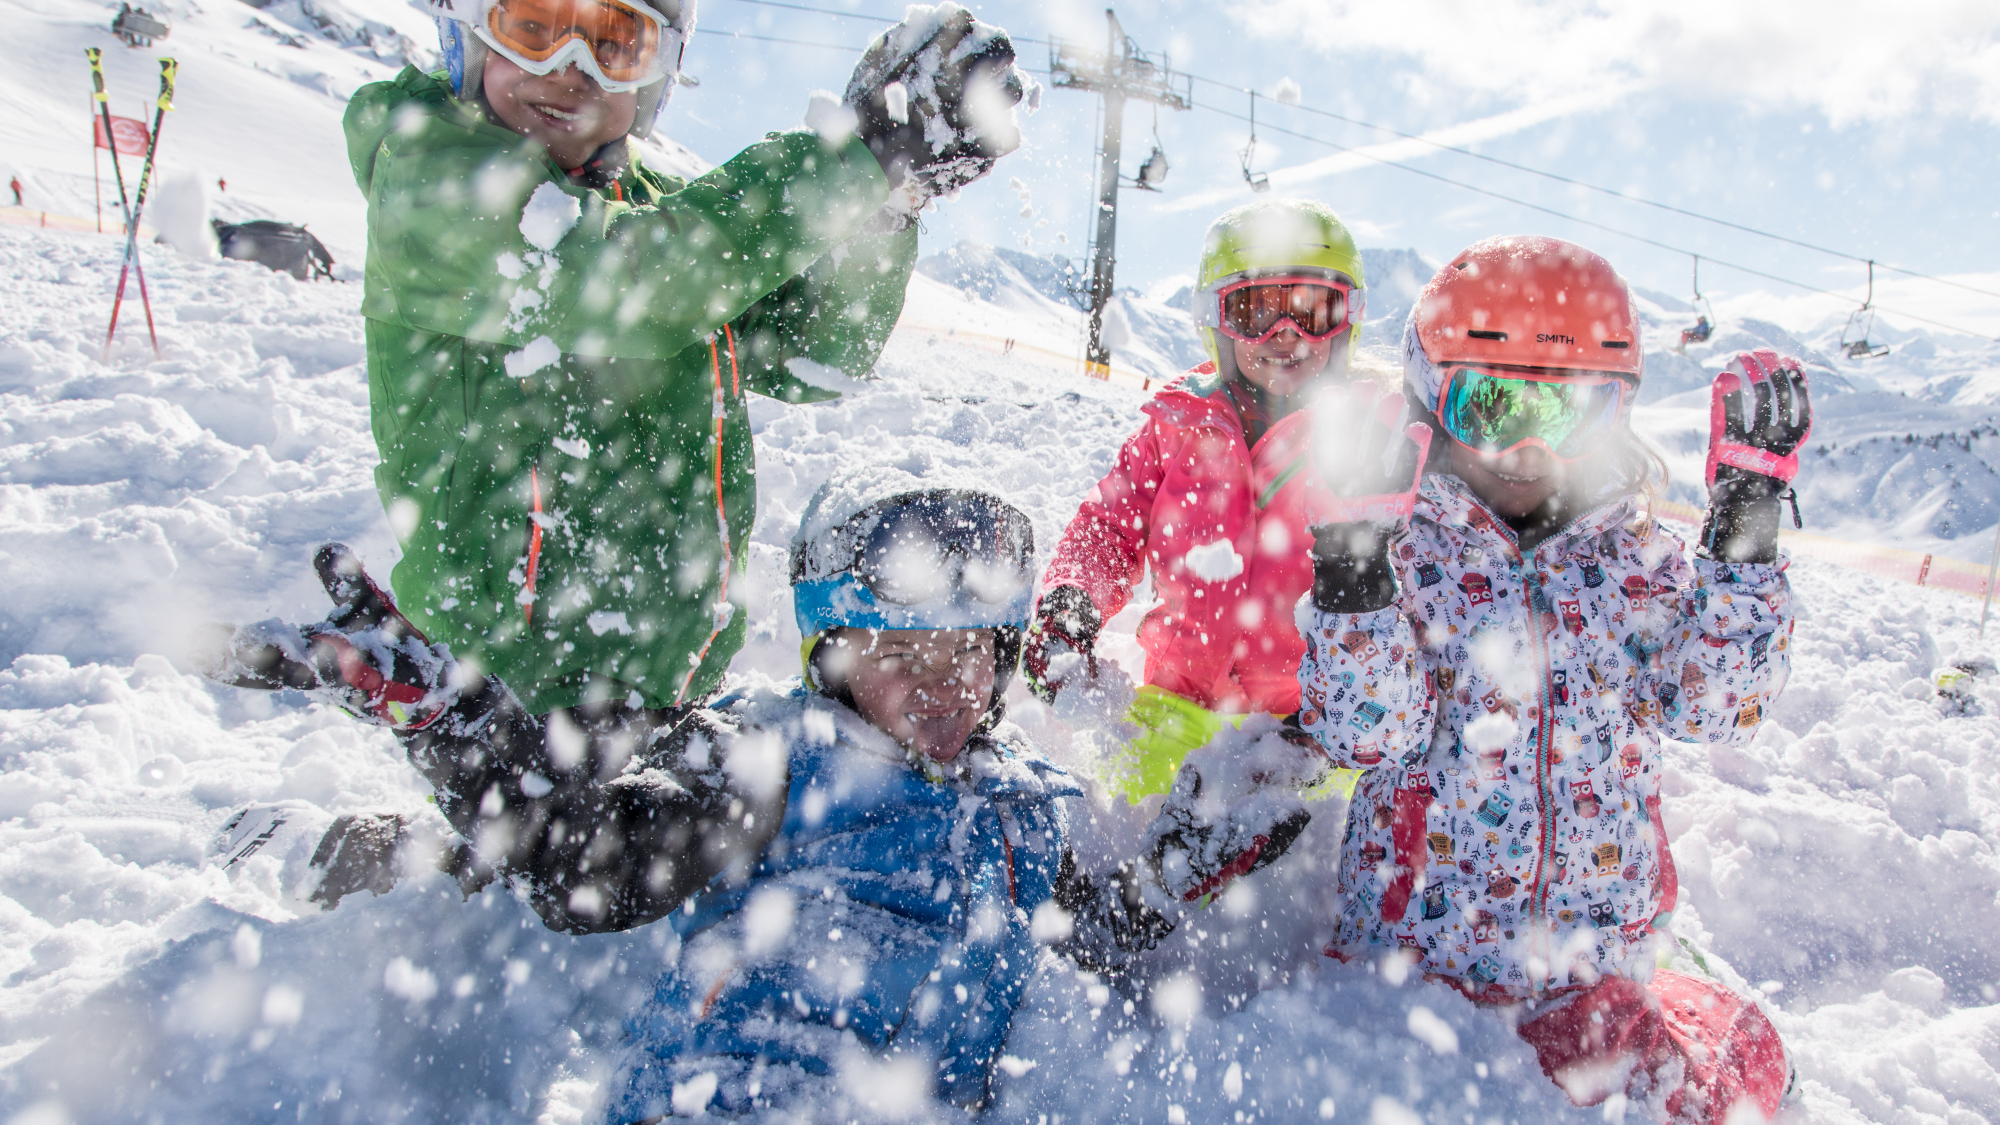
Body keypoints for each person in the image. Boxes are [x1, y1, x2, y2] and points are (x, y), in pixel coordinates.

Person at [200, 468, 1303, 1118]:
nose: (941, 684)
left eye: (971, 652)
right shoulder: (766, 757)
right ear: (826, 653)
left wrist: (1183, 857)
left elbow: (1093, 937)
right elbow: (582, 871)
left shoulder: (1025, 804)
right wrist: (454, 719)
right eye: (897, 652)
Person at [342, 0, 1030, 720]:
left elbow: (816, 352)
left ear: (659, 71)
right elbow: (630, 283)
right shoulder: (430, 181)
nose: (570, 71)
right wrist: (855, 165)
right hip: (503, 697)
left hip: (663, 689)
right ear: (468, 30)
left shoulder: (662, 210)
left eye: (614, 44)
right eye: (535, 27)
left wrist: (887, 203)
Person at [1293, 234, 1808, 1124]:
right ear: (1431, 396)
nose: (1527, 445)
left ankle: (1693, 1015)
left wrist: (1746, 526)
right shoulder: (1407, 547)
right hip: (1418, 969)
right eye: (1489, 404)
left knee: (1695, 1087)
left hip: (1589, 976)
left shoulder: (1632, 557)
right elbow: (1364, 732)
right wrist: (1354, 566)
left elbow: (1722, 703)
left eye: (1568, 410)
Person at [1024, 198, 1371, 799]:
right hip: (1175, 707)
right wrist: (1073, 601)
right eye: (1256, 309)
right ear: (1215, 320)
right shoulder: (1178, 426)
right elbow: (1109, 525)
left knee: (1296, 879)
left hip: (1303, 728)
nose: (1282, 335)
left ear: (1347, 323)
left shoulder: (1366, 441)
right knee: (1132, 855)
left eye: (1311, 311)